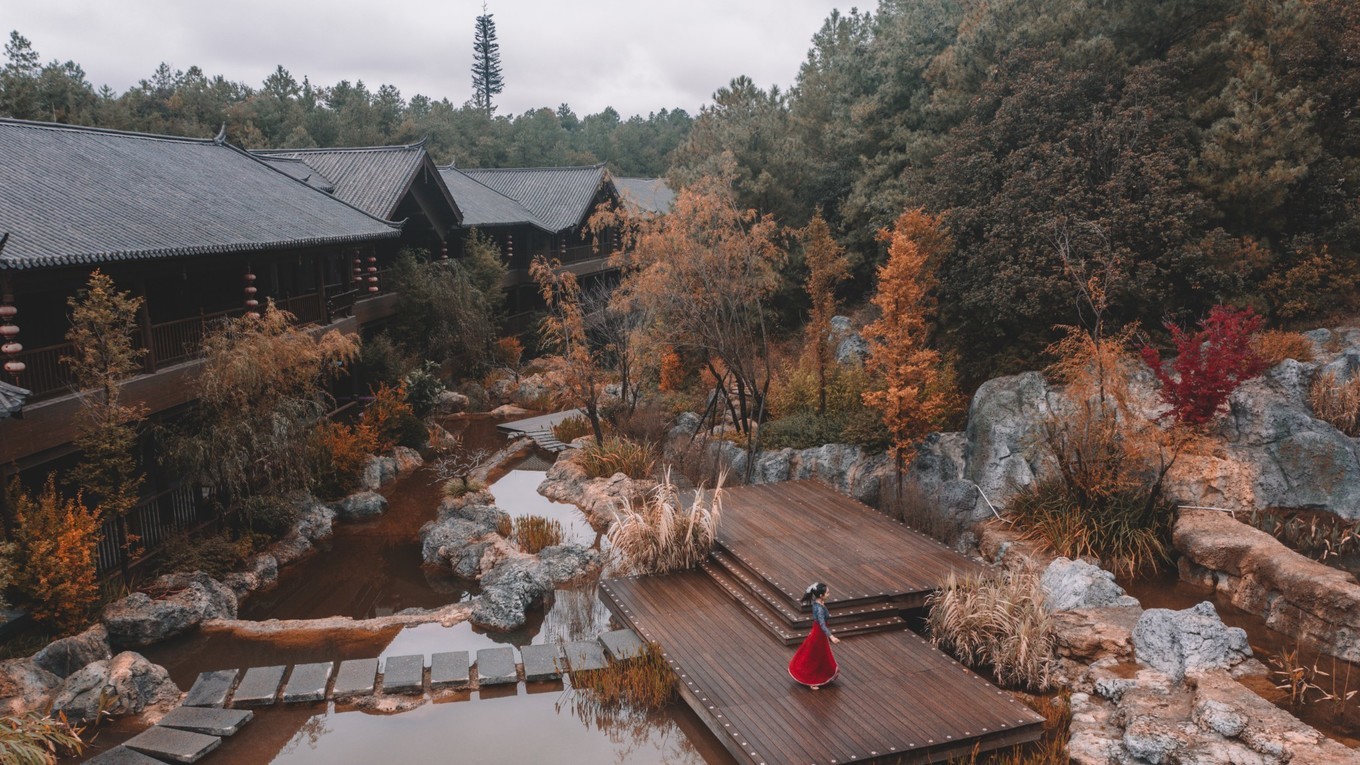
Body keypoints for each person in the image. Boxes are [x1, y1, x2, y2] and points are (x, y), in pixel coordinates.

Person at [787, 581, 840, 689]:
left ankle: (825, 672)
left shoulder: (817, 603)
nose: (828, 594)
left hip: (818, 632)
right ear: (821, 595)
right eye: (827, 593)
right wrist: (831, 636)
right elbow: (822, 624)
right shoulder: (819, 609)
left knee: (819, 654)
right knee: (815, 655)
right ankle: (811, 679)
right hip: (819, 633)